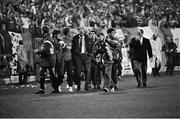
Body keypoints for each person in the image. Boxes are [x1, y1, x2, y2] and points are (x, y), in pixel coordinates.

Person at [34, 26, 59, 94]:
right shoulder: (47, 38)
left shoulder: (47, 39)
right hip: (48, 59)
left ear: (43, 31)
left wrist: (38, 51)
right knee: (45, 73)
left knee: (51, 74)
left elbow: (46, 51)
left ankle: (55, 88)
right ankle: (44, 89)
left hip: (48, 59)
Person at [61, 27, 74, 92]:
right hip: (63, 59)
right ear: (67, 33)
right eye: (70, 32)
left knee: (70, 73)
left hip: (70, 59)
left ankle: (70, 86)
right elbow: (61, 49)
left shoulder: (70, 40)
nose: (71, 33)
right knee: (61, 73)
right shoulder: (62, 40)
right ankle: (58, 86)